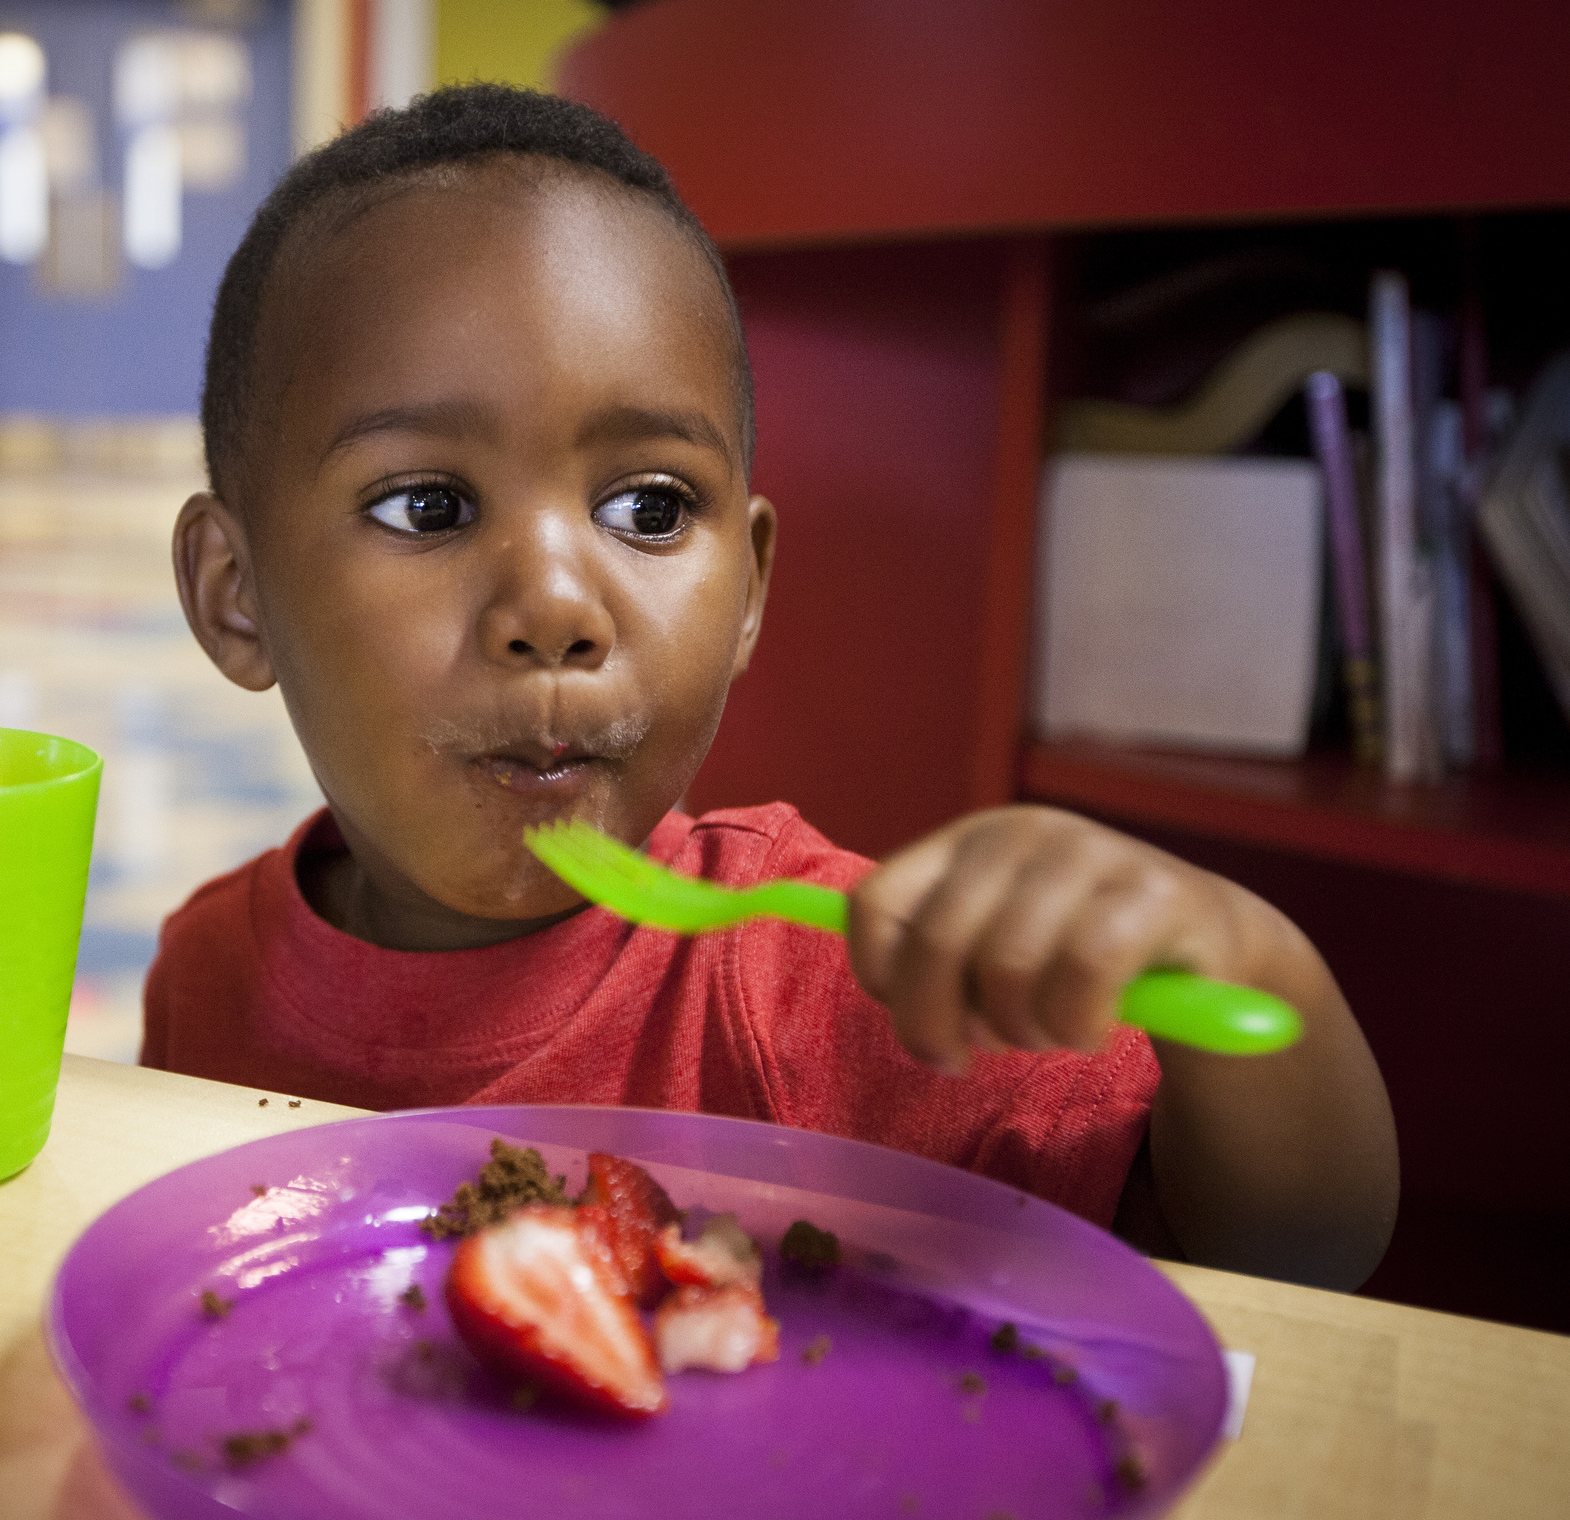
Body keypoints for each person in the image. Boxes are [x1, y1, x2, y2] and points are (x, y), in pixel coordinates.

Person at [144, 85, 1398, 1292]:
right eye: (427, 504)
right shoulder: (204, 967)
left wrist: (1237, 954)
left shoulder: (815, 984)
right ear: (233, 591)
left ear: (745, 589)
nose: (554, 610)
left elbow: (1287, 1251)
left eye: (647, 507)